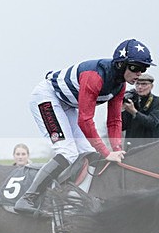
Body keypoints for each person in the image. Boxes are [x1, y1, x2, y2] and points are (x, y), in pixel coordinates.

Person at [15, 39, 154, 215]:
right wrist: (107, 152)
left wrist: (116, 150)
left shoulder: (120, 86)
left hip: (67, 104)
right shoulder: (94, 77)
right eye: (135, 68)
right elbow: (85, 120)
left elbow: (114, 121)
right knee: (67, 151)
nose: (140, 74)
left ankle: (72, 197)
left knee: (88, 153)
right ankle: (28, 198)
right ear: (121, 64)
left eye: (144, 69)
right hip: (47, 97)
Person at [122, 72, 159, 150]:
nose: (140, 87)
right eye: (137, 84)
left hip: (150, 149)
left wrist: (134, 112)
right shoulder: (132, 101)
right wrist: (121, 110)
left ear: (151, 86)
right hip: (131, 148)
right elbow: (122, 126)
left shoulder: (157, 102)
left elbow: (152, 123)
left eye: (144, 84)